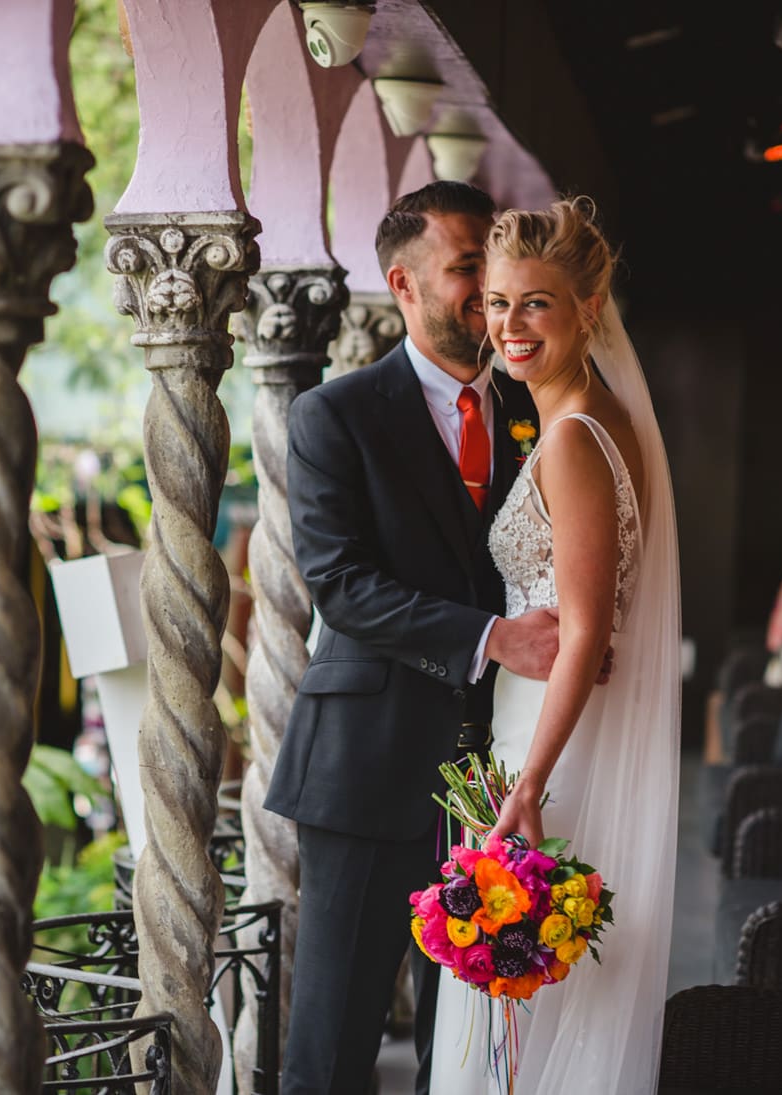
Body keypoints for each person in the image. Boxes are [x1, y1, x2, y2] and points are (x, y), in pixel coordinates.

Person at [266, 181, 572, 1095]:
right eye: (467, 268)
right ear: (402, 284)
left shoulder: (538, 411)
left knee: (470, 1048)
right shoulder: (335, 416)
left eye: (499, 268)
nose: (489, 292)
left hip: (495, 780)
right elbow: (342, 584)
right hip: (366, 769)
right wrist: (494, 638)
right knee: (331, 1048)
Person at [427, 198, 680, 1094]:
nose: (510, 325)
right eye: (497, 303)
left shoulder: (574, 439)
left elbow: (583, 637)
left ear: (588, 303)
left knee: (522, 1008)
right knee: (538, 999)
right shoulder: (598, 419)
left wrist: (527, 785)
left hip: (550, 750)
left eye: (536, 302)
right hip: (548, 730)